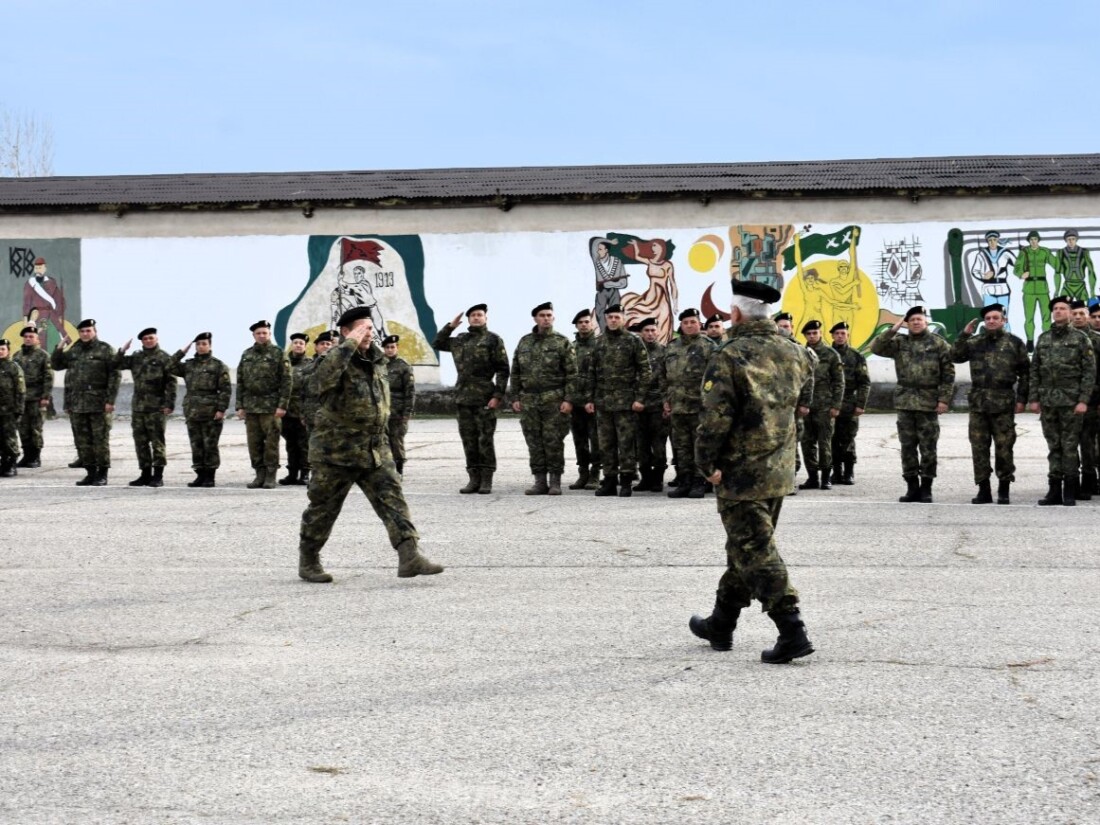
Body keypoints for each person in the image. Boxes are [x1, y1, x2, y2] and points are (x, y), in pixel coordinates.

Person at [688, 280, 815, 664]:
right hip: (778, 470)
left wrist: (706, 462)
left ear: (736, 313)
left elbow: (714, 419)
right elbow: (809, 379)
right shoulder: (795, 351)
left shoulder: (729, 355)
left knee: (756, 549)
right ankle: (721, 623)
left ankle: (791, 630)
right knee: (745, 546)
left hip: (740, 474)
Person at [296, 307, 443, 583]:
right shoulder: (330, 359)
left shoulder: (377, 360)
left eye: (370, 328)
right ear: (345, 332)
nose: (369, 333)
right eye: (361, 329)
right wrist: (349, 344)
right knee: (323, 510)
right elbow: (319, 382)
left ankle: (409, 556)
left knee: (394, 500)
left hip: (374, 449)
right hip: (335, 452)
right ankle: (309, 559)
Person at [871, 306, 954, 503]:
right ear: (907, 323)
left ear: (926, 322)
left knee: (928, 447)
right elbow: (876, 348)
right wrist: (893, 329)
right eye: (912, 320)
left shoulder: (938, 343)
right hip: (905, 401)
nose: (916, 322)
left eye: (920, 319)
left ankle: (926, 488)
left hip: (928, 401)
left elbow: (948, 374)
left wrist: (943, 399)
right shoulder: (899, 342)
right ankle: (911, 487)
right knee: (907, 446)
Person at [950, 304, 1029, 505]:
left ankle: (1004, 489)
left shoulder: (1014, 343)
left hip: (1003, 403)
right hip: (979, 404)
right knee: (979, 448)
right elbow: (955, 356)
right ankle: (983, 489)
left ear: (1004, 320)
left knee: (1004, 447)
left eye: (996, 318)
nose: (991, 321)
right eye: (988, 318)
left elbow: (1026, 374)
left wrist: (1022, 399)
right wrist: (964, 335)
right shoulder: (975, 342)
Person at [433, 303, 510, 494]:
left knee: (485, 440)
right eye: (473, 315)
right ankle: (473, 478)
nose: (476, 318)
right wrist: (450, 326)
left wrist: (497, 396)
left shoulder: (493, 340)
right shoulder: (460, 339)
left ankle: (486, 480)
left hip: (485, 397)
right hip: (463, 398)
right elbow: (438, 343)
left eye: (480, 315)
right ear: (468, 320)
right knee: (468, 440)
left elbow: (503, 369)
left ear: (486, 318)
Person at [1029, 296, 1096, 506]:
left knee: (1069, 446)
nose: (1058, 311)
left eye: (1063, 308)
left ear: (1069, 312)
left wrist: (1083, 400)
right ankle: (1054, 490)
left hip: (1071, 402)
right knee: (1054, 447)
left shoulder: (1080, 339)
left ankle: (1070, 489)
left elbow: (1089, 372)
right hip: (1049, 403)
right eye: (1056, 308)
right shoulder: (1044, 338)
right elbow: (1035, 370)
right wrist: (1034, 398)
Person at [584, 303, 651, 497]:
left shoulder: (633, 341)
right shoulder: (599, 342)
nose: (613, 320)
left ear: (623, 318)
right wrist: (589, 398)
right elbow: (591, 373)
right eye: (610, 317)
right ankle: (610, 480)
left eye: (617, 317)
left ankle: (627, 481)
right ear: (605, 319)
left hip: (626, 403)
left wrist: (640, 398)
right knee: (606, 443)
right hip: (603, 403)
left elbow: (645, 371)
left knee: (626, 443)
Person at [509, 302, 576, 496]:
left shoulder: (561, 342)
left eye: (549, 315)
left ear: (553, 318)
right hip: (529, 400)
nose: (546, 318)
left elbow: (572, 374)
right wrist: (515, 397)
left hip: (553, 399)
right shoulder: (525, 342)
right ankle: (539, 481)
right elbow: (516, 372)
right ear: (535, 319)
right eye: (542, 315)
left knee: (553, 441)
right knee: (534, 441)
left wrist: (568, 399)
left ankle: (555, 481)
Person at [51, 319, 120, 486]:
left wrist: (110, 400)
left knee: (100, 440)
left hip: (98, 403)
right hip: (77, 403)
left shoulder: (105, 349)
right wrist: (59, 348)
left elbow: (114, 375)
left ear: (95, 331)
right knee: (83, 441)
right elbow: (57, 365)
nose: (85, 334)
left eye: (88, 331)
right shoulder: (75, 350)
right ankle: (90, 472)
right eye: (82, 331)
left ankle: (102, 474)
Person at [663, 307, 716, 498]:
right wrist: (666, 400)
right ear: (681, 325)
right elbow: (664, 377)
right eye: (685, 323)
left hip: (699, 407)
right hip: (677, 407)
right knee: (681, 447)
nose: (689, 325)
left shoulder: (709, 346)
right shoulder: (672, 347)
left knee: (699, 446)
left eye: (693, 322)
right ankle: (684, 481)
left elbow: (716, 377)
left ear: (699, 323)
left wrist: (710, 402)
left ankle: (699, 482)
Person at [116, 327, 177, 487]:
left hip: (156, 407)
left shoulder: (164, 358)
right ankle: (144, 473)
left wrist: (169, 404)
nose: (148, 341)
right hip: (139, 407)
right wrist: (122, 350)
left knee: (157, 442)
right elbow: (118, 364)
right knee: (140, 442)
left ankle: (158, 475)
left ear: (156, 339)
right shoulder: (137, 357)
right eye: (145, 339)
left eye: (151, 338)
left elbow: (171, 383)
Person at [169, 332, 232, 488]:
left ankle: (210, 476)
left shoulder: (218, 365)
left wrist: (221, 409)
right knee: (196, 444)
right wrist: (182, 352)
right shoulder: (189, 365)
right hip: (193, 410)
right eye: (198, 344)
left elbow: (225, 389)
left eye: (204, 344)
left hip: (211, 411)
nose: (201, 347)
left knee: (210, 444)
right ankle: (200, 474)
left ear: (210, 346)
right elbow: (169, 366)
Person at [236, 320, 292, 490]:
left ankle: (270, 475)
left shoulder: (278, 354)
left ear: (269, 334)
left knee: (271, 443)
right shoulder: (247, 355)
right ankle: (259, 475)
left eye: (265, 333)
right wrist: (240, 406)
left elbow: (287, 381)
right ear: (253, 335)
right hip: (252, 407)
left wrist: (282, 405)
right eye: (258, 333)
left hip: (271, 407)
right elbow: (240, 382)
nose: (262, 336)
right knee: (254, 443)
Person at [797, 319, 844, 490]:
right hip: (805, 406)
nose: (812, 336)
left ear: (820, 333)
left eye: (814, 333)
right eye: (808, 334)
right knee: (807, 443)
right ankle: (812, 477)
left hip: (825, 405)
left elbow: (839, 382)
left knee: (825, 443)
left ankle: (826, 477)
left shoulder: (831, 354)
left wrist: (836, 405)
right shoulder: (801, 353)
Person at [776, 311, 815, 493]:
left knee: (792, 442)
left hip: (793, 405)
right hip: (773, 406)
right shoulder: (771, 347)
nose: (784, 329)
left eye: (787, 326)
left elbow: (808, 379)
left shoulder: (799, 349)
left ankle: (790, 480)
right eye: (781, 326)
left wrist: (805, 403)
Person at [829, 321, 870, 485]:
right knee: (831, 438)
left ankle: (849, 471)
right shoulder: (827, 354)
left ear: (847, 335)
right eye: (837, 333)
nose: (840, 336)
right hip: (830, 403)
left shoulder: (856, 356)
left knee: (848, 438)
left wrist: (861, 404)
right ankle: (836, 471)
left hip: (849, 403)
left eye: (843, 333)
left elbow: (864, 382)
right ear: (832, 335)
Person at [632, 317, 667, 491]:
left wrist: (666, 402)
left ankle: (658, 479)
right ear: (641, 333)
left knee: (659, 445)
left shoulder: (665, 352)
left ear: (658, 331)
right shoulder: (635, 351)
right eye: (646, 331)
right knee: (641, 445)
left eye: (653, 330)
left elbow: (667, 380)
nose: (650, 334)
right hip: (638, 406)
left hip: (658, 405)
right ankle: (645, 478)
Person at [1069, 300, 1100, 499]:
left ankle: (1090, 480)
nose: (1079, 317)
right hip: (1066, 400)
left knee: (1089, 442)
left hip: (1092, 399)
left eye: (1083, 314)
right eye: (1076, 314)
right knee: (1069, 443)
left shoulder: (1096, 340)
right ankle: (1073, 481)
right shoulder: (1062, 338)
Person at [568, 309, 601, 490]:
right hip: (576, 402)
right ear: (576, 325)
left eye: (586, 322)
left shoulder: (599, 346)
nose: (583, 325)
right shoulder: (571, 347)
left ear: (592, 324)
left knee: (596, 440)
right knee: (579, 440)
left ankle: (595, 474)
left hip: (594, 402)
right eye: (580, 322)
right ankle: (583, 473)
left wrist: (595, 398)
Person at [13, 325, 52, 468]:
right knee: (23, 428)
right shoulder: (17, 355)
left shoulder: (43, 356)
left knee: (35, 428)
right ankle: (27, 455)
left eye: (31, 337)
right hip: (21, 399)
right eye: (26, 337)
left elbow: (48, 377)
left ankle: (35, 457)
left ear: (37, 339)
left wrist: (45, 396)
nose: (28, 339)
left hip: (36, 397)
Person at [1013, 230, 1057, 352]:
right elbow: (1016, 268)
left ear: (1038, 240)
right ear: (1029, 241)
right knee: (1029, 317)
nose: (1033, 241)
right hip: (1029, 288)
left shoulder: (1044, 252)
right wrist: (1021, 274)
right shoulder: (1024, 252)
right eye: (1031, 239)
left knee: (1046, 316)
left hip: (1043, 288)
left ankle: (1047, 340)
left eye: (1035, 239)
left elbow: (1056, 264)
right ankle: (1030, 341)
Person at [279, 333, 311, 486]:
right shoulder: (284, 363)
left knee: (304, 444)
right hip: (287, 411)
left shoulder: (311, 364)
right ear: (291, 345)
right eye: (295, 342)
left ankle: (304, 473)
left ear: (305, 346)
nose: (298, 345)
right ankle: (292, 473)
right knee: (290, 444)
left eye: (301, 343)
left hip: (303, 412)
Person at [383, 334, 416, 477]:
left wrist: (407, 413)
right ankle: (385, 468)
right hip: (382, 410)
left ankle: (399, 468)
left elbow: (410, 392)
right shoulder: (379, 365)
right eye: (387, 347)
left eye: (392, 347)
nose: (390, 350)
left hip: (397, 410)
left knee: (396, 440)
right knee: (382, 441)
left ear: (397, 348)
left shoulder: (404, 367)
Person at [22, 257, 68, 349]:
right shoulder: (30, 283)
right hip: (38, 316)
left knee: (56, 340)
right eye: (37, 268)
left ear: (45, 268)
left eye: (41, 267)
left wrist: (58, 313)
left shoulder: (51, 282)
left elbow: (60, 300)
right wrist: (26, 318)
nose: (38, 270)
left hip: (52, 316)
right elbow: (27, 302)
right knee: (40, 341)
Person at [591, 237, 629, 332]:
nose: (598, 251)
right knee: (599, 312)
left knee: (616, 313)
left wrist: (610, 284)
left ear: (606, 250)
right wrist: (610, 241)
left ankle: (616, 332)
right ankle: (605, 333)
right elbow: (594, 242)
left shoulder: (617, 262)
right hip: (601, 291)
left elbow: (624, 283)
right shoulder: (597, 262)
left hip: (614, 291)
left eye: (600, 249)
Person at [299, 331, 335, 431]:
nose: (325, 346)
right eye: (322, 344)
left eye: (328, 344)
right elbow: (303, 393)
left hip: (335, 417)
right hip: (312, 416)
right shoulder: (308, 368)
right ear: (316, 347)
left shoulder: (340, 366)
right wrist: (302, 414)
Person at [0, 339, 25, 477]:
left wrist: (19, 409)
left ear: (8, 351)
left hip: (9, 410)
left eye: (3, 349)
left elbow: (20, 390)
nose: (0, 351)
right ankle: (3, 462)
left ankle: (11, 464)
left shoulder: (14, 367)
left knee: (9, 437)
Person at [1055, 230, 1096, 303]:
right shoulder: (1060, 253)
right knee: (1063, 309)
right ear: (1065, 240)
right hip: (1067, 286)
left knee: (1083, 310)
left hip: (1081, 286)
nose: (1071, 241)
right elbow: (1057, 272)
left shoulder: (1084, 252)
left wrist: (1092, 292)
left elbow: (1091, 271)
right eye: (1069, 239)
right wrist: (1057, 291)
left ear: (1076, 239)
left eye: (1073, 239)